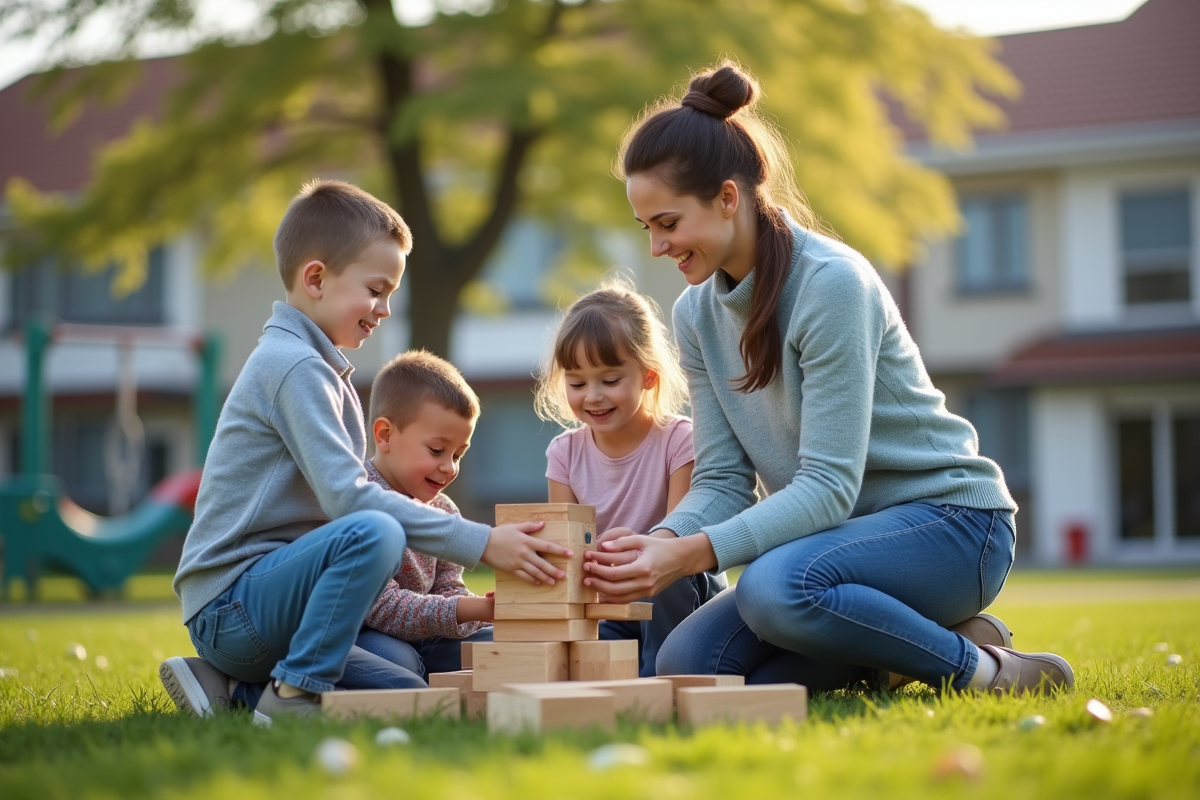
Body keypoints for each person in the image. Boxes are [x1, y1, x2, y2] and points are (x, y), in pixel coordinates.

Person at [581, 62, 1074, 696]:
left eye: (669, 224)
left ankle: (988, 671)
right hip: (827, 553)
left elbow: (827, 488)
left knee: (772, 588)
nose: (657, 248)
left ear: (728, 197)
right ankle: (916, 644)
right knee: (692, 669)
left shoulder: (830, 284)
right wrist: (658, 541)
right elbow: (724, 479)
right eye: (646, 228)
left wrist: (692, 553)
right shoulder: (696, 314)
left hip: (950, 527)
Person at [159, 180, 571, 724]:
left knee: (402, 688)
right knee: (376, 530)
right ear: (316, 279)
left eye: (391, 294)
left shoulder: (320, 370)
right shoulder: (293, 367)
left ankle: (235, 688)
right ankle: (291, 697)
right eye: (376, 290)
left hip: (281, 608)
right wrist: (484, 542)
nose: (383, 309)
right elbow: (350, 502)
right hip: (233, 607)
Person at [534, 280, 725, 676]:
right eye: (577, 383)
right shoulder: (564, 454)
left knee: (667, 578)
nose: (593, 396)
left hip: (682, 592)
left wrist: (628, 554)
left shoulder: (679, 440)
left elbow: (679, 543)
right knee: (571, 655)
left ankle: (662, 678)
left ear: (648, 376)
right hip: (613, 604)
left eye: (610, 380)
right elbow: (565, 551)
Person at [353, 350, 496, 682]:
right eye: (436, 451)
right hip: (363, 633)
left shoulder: (444, 509)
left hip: (426, 636)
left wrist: (484, 610)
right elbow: (380, 607)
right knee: (401, 663)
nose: (449, 467)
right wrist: (474, 610)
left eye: (459, 454)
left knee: (502, 646)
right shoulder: (356, 499)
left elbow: (448, 587)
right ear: (385, 435)